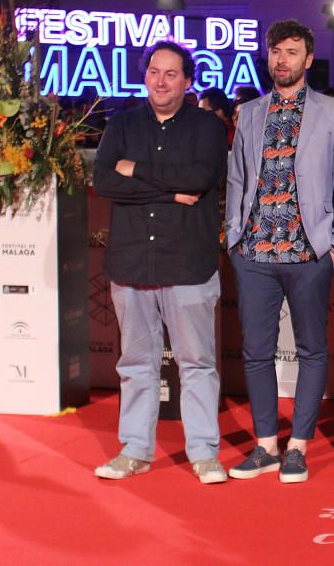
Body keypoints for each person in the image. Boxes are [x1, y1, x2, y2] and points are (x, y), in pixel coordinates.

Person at [92, 41, 229, 484]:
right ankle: (134, 450)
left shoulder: (207, 126)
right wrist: (169, 193)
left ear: (188, 81)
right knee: (135, 364)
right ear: (145, 74)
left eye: (171, 74)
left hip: (188, 262)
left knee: (197, 364)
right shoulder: (123, 123)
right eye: (154, 71)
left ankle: (204, 451)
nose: (161, 80)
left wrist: (137, 169)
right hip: (132, 262)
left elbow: (201, 177)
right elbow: (104, 180)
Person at [225, 19, 334, 483]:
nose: (283, 60)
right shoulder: (250, 111)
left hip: (309, 251)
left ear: (308, 59)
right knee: (256, 352)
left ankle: (297, 445)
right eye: (276, 51)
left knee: (311, 349)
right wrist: (234, 237)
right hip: (254, 251)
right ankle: (265, 446)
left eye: (292, 52)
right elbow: (237, 176)